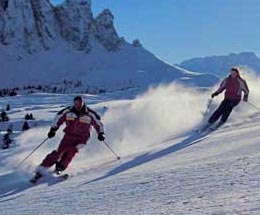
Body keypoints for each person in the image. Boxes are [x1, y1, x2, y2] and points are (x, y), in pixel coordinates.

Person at [33, 96, 105, 179]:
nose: (77, 105)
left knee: (72, 150)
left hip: (82, 138)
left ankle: (60, 167)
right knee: (59, 152)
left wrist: (101, 133)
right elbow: (58, 118)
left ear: (83, 103)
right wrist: (53, 129)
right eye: (76, 103)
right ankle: (42, 168)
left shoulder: (90, 113)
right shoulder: (68, 111)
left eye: (79, 103)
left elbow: (98, 123)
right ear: (74, 103)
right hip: (68, 136)